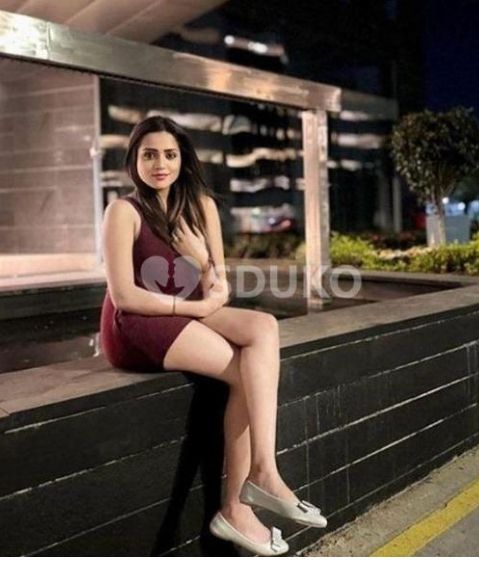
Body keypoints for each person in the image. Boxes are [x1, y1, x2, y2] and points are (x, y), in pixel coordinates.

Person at [99, 115, 326, 556]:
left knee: (264, 326)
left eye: (169, 154)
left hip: (187, 312)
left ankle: (262, 471)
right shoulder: (123, 212)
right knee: (244, 372)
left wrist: (201, 259)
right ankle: (238, 505)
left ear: (182, 159)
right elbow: (124, 295)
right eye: (149, 155)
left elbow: (218, 288)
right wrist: (196, 308)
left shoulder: (201, 207)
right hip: (135, 324)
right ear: (134, 161)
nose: (160, 164)